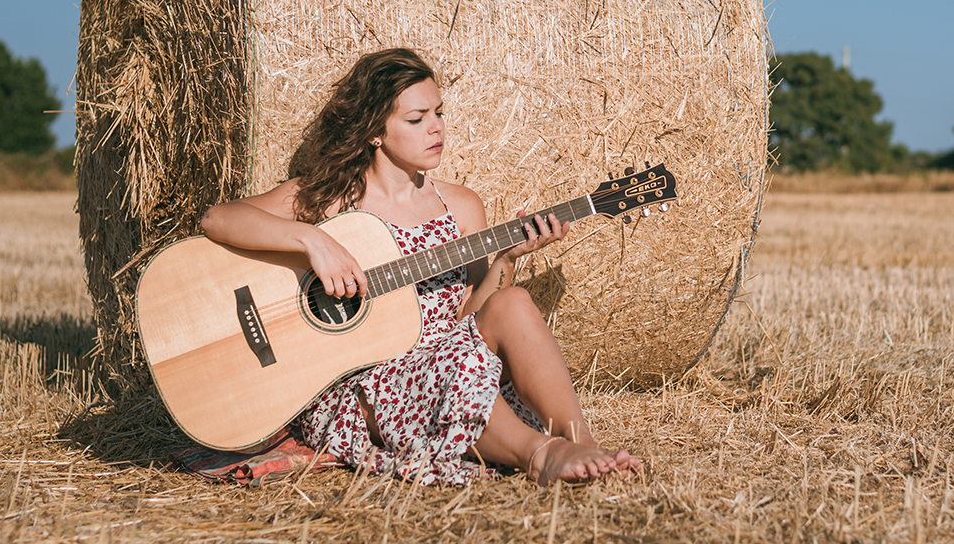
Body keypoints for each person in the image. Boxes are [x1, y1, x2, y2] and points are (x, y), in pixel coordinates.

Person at [200, 47, 641, 486]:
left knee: (514, 302)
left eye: (438, 113)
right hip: (364, 383)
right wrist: (311, 239)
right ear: (375, 131)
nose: (436, 128)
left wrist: (506, 258)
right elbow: (218, 219)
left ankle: (580, 440)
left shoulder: (461, 207)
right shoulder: (329, 198)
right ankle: (540, 454)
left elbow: (469, 320)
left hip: (447, 357)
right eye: (416, 119)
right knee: (452, 369)